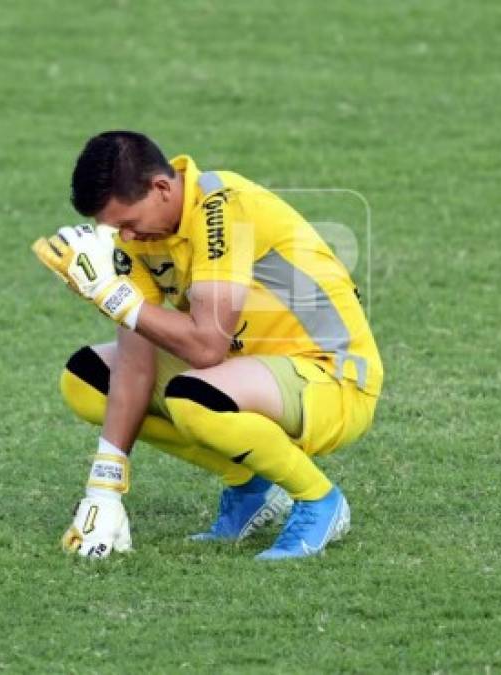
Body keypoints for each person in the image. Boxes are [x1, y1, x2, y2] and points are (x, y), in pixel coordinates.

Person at [31, 130, 383, 560]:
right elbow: (135, 361)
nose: (127, 237)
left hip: (332, 377)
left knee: (193, 397)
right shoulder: (140, 235)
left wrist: (112, 296)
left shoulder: (223, 209)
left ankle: (320, 500)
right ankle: (251, 486)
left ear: (162, 188)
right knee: (85, 381)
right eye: (115, 229)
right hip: (246, 372)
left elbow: (206, 349)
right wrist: (104, 490)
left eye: (127, 223)